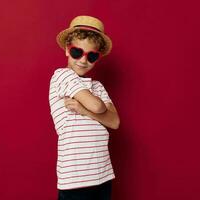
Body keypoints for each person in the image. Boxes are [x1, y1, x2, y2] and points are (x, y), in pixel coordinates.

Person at [49, 15, 120, 200]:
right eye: (76, 52)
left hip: (103, 175)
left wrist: (83, 110)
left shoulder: (98, 86)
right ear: (67, 50)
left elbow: (114, 122)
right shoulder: (62, 76)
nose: (83, 60)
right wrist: (95, 108)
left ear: (98, 57)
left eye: (92, 55)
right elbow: (97, 105)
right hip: (76, 180)